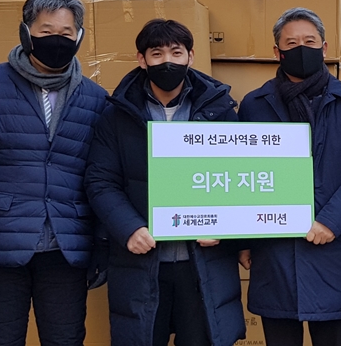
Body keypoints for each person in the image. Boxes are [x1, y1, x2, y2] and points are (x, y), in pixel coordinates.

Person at [0, 0, 108, 346]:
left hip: (66, 249)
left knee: (66, 340)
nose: (57, 40)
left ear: (79, 37)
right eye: (46, 31)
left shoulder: (95, 99)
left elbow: (101, 178)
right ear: (26, 32)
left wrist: (101, 240)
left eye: (66, 33)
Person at [84, 19, 245, 346]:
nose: (167, 61)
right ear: (142, 59)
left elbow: (242, 178)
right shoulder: (117, 115)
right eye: (157, 54)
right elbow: (101, 181)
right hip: (142, 261)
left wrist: (224, 226)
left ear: (191, 56)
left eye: (176, 52)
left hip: (202, 264)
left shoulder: (220, 111)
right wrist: (129, 228)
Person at [236, 7, 341, 346]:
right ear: (277, 51)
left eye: (310, 41)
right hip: (274, 251)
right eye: (291, 43)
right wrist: (242, 241)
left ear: (324, 48)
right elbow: (240, 173)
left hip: (332, 247)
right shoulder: (255, 105)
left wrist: (330, 221)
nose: (301, 48)